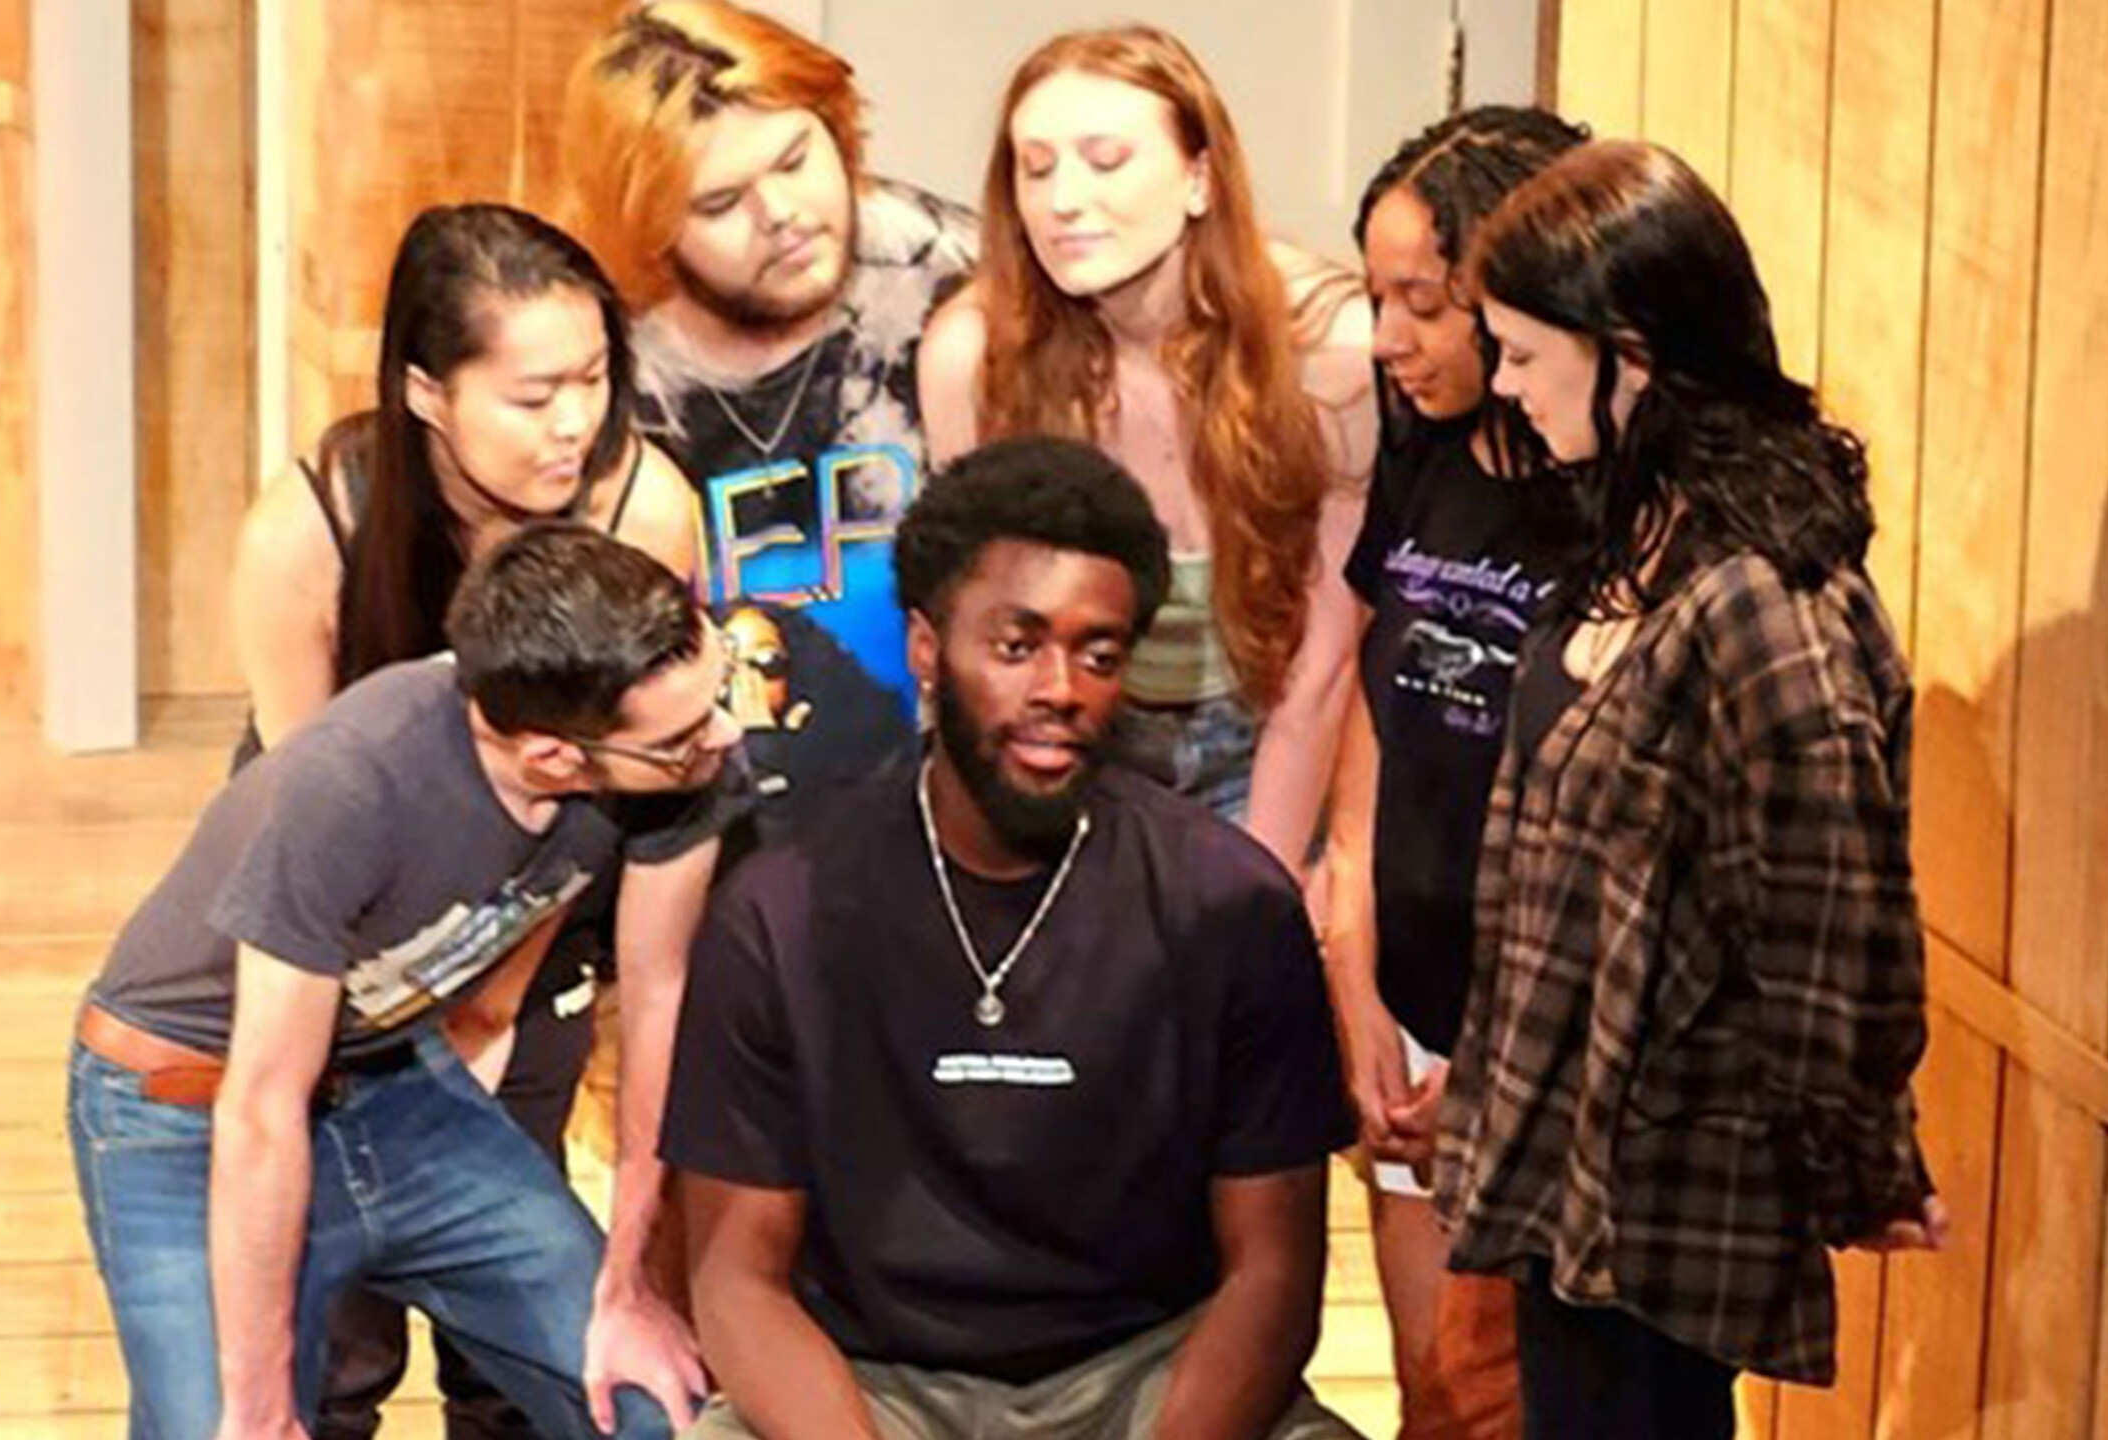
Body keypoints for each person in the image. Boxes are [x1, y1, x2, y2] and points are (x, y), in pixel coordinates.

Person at [663, 437, 1363, 1440]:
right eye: (1015, 645)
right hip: (875, 1385)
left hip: (1147, 1372)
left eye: (1099, 653)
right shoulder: (781, 912)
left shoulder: (1226, 904)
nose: (1060, 688)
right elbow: (736, 1278)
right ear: (923, 648)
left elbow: (1274, 1272)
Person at [1431, 140, 1946, 1440]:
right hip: (1568, 1168)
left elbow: (1834, 918)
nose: (1504, 386)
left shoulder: (1764, 602)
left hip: (1664, 1188)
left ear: (1633, 351)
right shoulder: (1633, 525)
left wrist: (1860, 1164)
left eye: (1526, 355)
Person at [71, 524, 744, 1440]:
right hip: (185, 1107)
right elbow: (263, 1105)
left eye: (719, 694)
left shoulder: (683, 759)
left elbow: (658, 993)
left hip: (393, 1084)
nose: (726, 735)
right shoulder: (349, 784)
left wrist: (630, 1286)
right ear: (553, 756)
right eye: (683, 734)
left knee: (654, 1406)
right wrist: (261, 1407)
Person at [227, 201, 710, 1440]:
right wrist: (421, 1001)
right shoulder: (310, 531)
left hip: (553, 877)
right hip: (349, 908)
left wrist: (496, 996)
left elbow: (640, 776)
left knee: (509, 1209)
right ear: (430, 394)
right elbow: (308, 808)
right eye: (534, 392)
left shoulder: (641, 507)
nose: (575, 422)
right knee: (333, 1304)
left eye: (595, 378)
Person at [919, 24, 1374, 877]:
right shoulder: (971, 355)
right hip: (1070, 742)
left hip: (1269, 732)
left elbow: (1321, 667)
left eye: (1106, 159)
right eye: (1037, 166)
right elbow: (980, 640)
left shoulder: (1332, 349)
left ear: (1199, 177)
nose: (1062, 200)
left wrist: (1254, 891)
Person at [1321, 104, 1590, 1440]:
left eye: (1423, 303)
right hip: (1409, 1006)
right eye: (1380, 300)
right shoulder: (1424, 457)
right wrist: (1353, 951)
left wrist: (1494, 1063)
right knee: (1434, 1384)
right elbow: (1378, 702)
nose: (1387, 339)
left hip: (1545, 1050)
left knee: (1511, 1403)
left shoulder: (1610, 504)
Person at [563, 0, 980, 817]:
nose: (781, 215)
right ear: (653, 228)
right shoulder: (599, 366)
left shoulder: (952, 280)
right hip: (701, 829)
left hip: (942, 814)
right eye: (720, 204)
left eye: (795, 158)